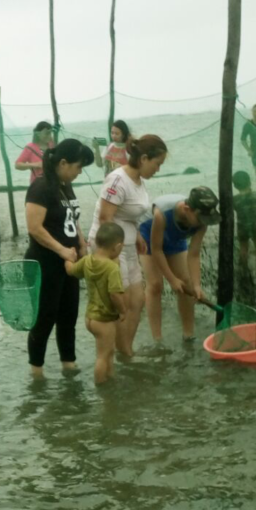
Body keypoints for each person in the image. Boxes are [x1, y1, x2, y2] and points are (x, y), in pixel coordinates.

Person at [86, 134, 168, 358]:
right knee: (120, 303)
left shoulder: (139, 181)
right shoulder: (117, 179)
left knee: (138, 300)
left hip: (129, 243)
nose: (158, 170)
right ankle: (113, 352)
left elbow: (129, 213)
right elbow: (105, 218)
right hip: (110, 246)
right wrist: (111, 258)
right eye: (157, 164)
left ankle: (125, 350)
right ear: (143, 158)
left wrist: (138, 236)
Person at [23, 138, 95, 379]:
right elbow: (34, 228)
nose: (79, 172)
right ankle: (37, 372)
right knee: (44, 318)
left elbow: (72, 219)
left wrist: (81, 242)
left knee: (68, 316)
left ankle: (69, 365)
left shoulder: (66, 186)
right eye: (77, 167)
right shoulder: (40, 187)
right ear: (63, 163)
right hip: (45, 263)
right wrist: (61, 250)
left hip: (69, 263)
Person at [139, 187, 220, 344]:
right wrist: (171, 279)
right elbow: (157, 251)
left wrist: (197, 286)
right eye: (201, 217)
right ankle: (158, 339)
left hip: (175, 238)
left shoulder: (202, 221)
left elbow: (194, 254)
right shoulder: (162, 213)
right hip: (149, 235)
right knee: (155, 285)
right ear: (187, 209)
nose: (204, 221)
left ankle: (188, 335)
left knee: (186, 282)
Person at [66, 223, 126, 384]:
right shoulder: (112, 268)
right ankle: (102, 389)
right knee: (103, 356)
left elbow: (71, 270)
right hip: (104, 319)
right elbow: (115, 294)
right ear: (117, 246)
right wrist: (123, 311)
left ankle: (111, 378)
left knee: (108, 351)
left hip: (90, 318)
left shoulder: (86, 261)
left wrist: (68, 257)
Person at [232, 170, 256, 273]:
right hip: (255, 225)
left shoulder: (235, 199)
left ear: (235, 186)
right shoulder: (255, 196)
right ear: (249, 182)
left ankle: (243, 268)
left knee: (243, 248)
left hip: (242, 227)